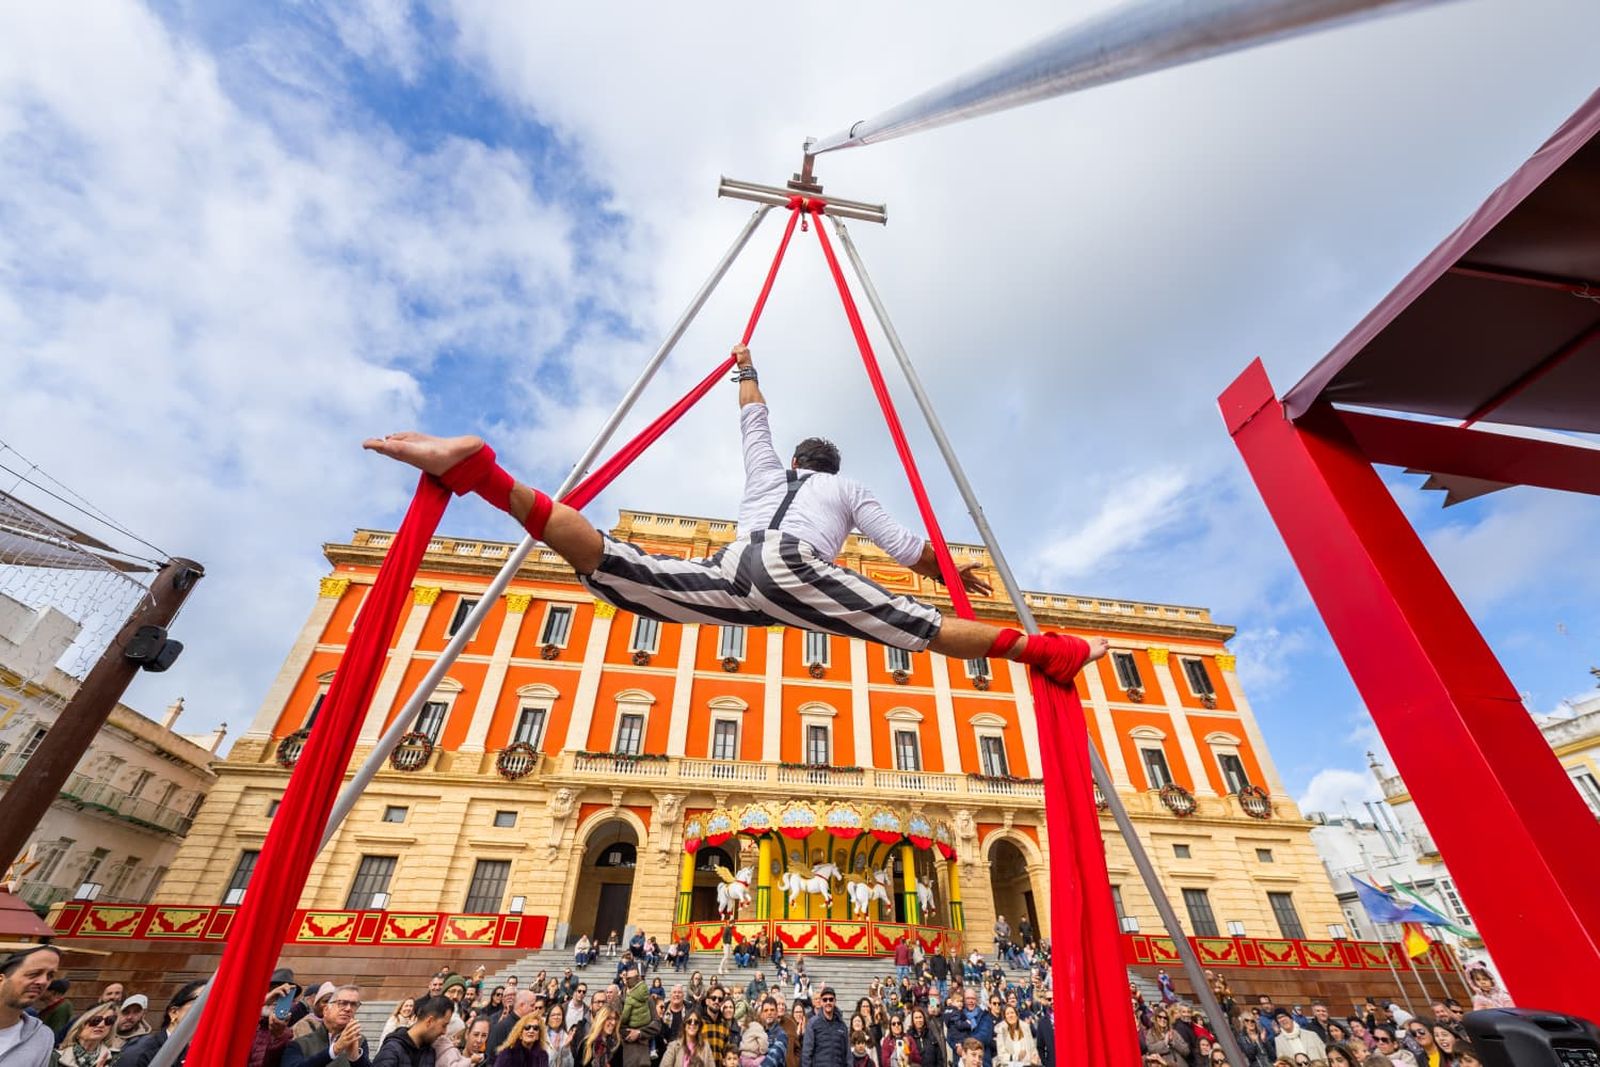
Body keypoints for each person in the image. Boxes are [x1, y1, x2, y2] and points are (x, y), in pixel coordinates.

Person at [365, 350, 1107, 696]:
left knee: (614, 566)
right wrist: (951, 572)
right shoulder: (848, 487)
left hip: (735, 566)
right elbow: (907, 549)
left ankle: (487, 478)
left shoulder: (765, 471)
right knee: (924, 627)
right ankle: (1049, 650)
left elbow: (754, 418)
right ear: (833, 464)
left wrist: (746, 367)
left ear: (797, 460)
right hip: (793, 567)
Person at [117, 980, 206, 1067]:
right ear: (174, 1012)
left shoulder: (204, 1053)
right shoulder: (139, 1053)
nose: (209, 1008)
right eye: (202, 1000)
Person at [284, 984, 370, 1067]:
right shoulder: (300, 1043)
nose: (348, 1009)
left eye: (354, 1004)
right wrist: (334, 1050)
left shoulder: (359, 1041)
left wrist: (355, 1058)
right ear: (326, 1010)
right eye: (342, 1003)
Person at [373, 995, 455, 1067]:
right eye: (444, 1025)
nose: (444, 1032)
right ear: (430, 1021)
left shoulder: (430, 1052)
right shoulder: (392, 1050)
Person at [53, 1004, 121, 1067]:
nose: (101, 1025)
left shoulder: (115, 1058)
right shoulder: (56, 1057)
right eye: (96, 1020)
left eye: (109, 1020)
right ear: (80, 1026)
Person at [802, 988, 848, 1067]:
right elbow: (807, 1053)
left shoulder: (842, 1025)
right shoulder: (813, 1023)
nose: (828, 1002)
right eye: (825, 1000)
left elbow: (847, 1054)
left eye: (831, 999)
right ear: (821, 1002)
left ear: (835, 1001)